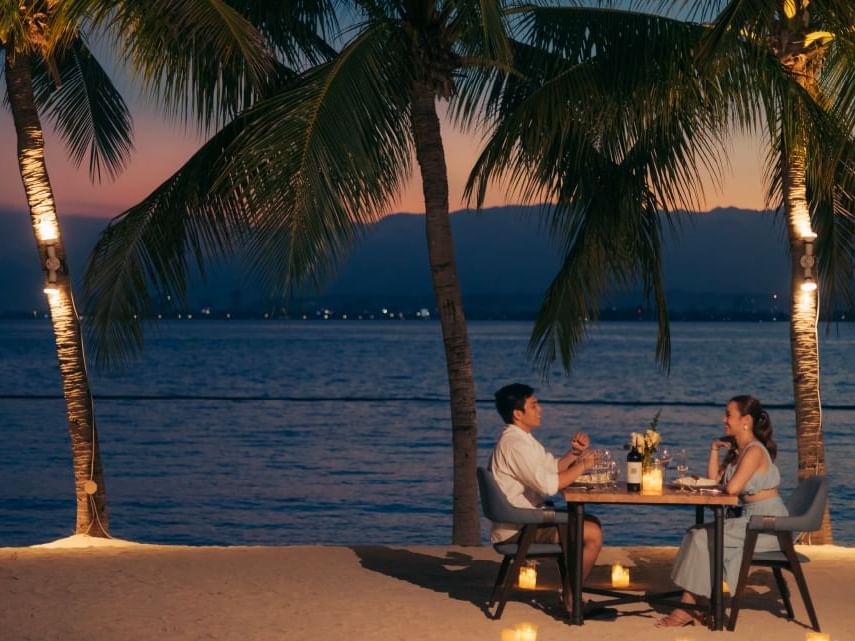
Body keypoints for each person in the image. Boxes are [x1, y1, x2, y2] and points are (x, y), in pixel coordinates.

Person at [657, 395, 788, 627]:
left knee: (702, 536)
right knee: (697, 533)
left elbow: (733, 488)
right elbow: (714, 481)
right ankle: (697, 602)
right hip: (751, 518)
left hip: (768, 523)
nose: (723, 419)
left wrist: (728, 476)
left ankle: (689, 605)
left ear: (745, 420)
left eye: (728, 415)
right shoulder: (742, 450)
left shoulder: (754, 451)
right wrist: (714, 449)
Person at [488, 383, 603, 608]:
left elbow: (552, 467)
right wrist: (583, 466)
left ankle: (571, 593)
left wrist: (574, 454)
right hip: (519, 528)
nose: (540, 410)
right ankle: (572, 599)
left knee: (590, 522)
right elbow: (549, 485)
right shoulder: (515, 445)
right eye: (534, 405)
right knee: (592, 533)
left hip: (522, 520)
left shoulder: (522, 439)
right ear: (517, 413)